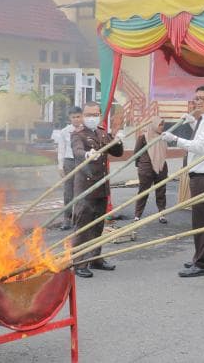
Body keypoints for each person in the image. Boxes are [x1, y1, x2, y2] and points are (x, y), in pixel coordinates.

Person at [162, 84, 204, 277]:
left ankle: (203, 263)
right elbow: (203, 139)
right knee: (201, 220)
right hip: (200, 175)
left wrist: (175, 139)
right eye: (195, 98)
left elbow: (199, 146)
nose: (197, 102)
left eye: (201, 98)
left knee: (203, 221)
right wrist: (191, 123)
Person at [71, 102, 124, 278]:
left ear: (99, 115)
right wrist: (86, 154)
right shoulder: (78, 134)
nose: (91, 117)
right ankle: (78, 262)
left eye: (95, 114)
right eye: (88, 114)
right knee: (83, 225)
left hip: (101, 186)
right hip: (85, 188)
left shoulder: (101, 133)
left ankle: (95, 258)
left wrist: (118, 139)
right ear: (83, 115)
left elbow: (117, 152)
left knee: (98, 225)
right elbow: (77, 150)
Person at [133, 116, 169, 224]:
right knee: (143, 192)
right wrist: (141, 165)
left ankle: (162, 214)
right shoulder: (143, 137)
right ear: (153, 124)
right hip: (146, 169)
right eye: (160, 124)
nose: (162, 127)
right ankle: (137, 215)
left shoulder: (163, 137)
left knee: (161, 192)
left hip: (161, 167)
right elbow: (136, 153)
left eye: (163, 124)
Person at [56, 106, 84, 230]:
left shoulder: (86, 130)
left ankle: (80, 219)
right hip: (69, 162)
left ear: (82, 116)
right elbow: (61, 149)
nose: (76, 119)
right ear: (70, 118)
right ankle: (67, 219)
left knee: (82, 191)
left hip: (83, 162)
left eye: (78, 116)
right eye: (74, 117)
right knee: (68, 192)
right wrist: (60, 166)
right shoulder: (64, 131)